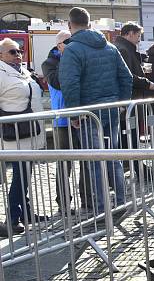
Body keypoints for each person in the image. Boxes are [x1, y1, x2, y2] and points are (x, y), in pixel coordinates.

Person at [59, 7, 133, 214]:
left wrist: (73, 114)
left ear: (69, 24)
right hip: (110, 110)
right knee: (112, 157)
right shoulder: (109, 47)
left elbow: (70, 85)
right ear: (90, 23)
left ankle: (101, 209)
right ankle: (120, 202)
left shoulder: (72, 50)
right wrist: (121, 104)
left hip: (89, 113)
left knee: (95, 162)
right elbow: (126, 78)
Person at [0, 38, 47, 236]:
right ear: (1, 55)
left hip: (30, 131)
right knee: (20, 174)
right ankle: (11, 217)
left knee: (25, 173)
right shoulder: (2, 74)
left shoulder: (23, 71)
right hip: (14, 132)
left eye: (19, 50)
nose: (18, 54)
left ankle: (24, 212)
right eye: (12, 51)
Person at [41, 30, 90, 215]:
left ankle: (87, 199)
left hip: (82, 116)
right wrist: (68, 60)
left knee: (87, 161)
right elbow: (58, 82)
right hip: (62, 120)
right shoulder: (49, 63)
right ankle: (63, 202)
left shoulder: (78, 58)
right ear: (60, 45)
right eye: (69, 43)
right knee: (64, 164)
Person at [114, 22, 154, 100]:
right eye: (138, 36)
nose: (139, 40)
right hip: (131, 95)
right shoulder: (124, 50)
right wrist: (146, 83)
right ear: (131, 34)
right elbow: (127, 75)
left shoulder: (121, 47)